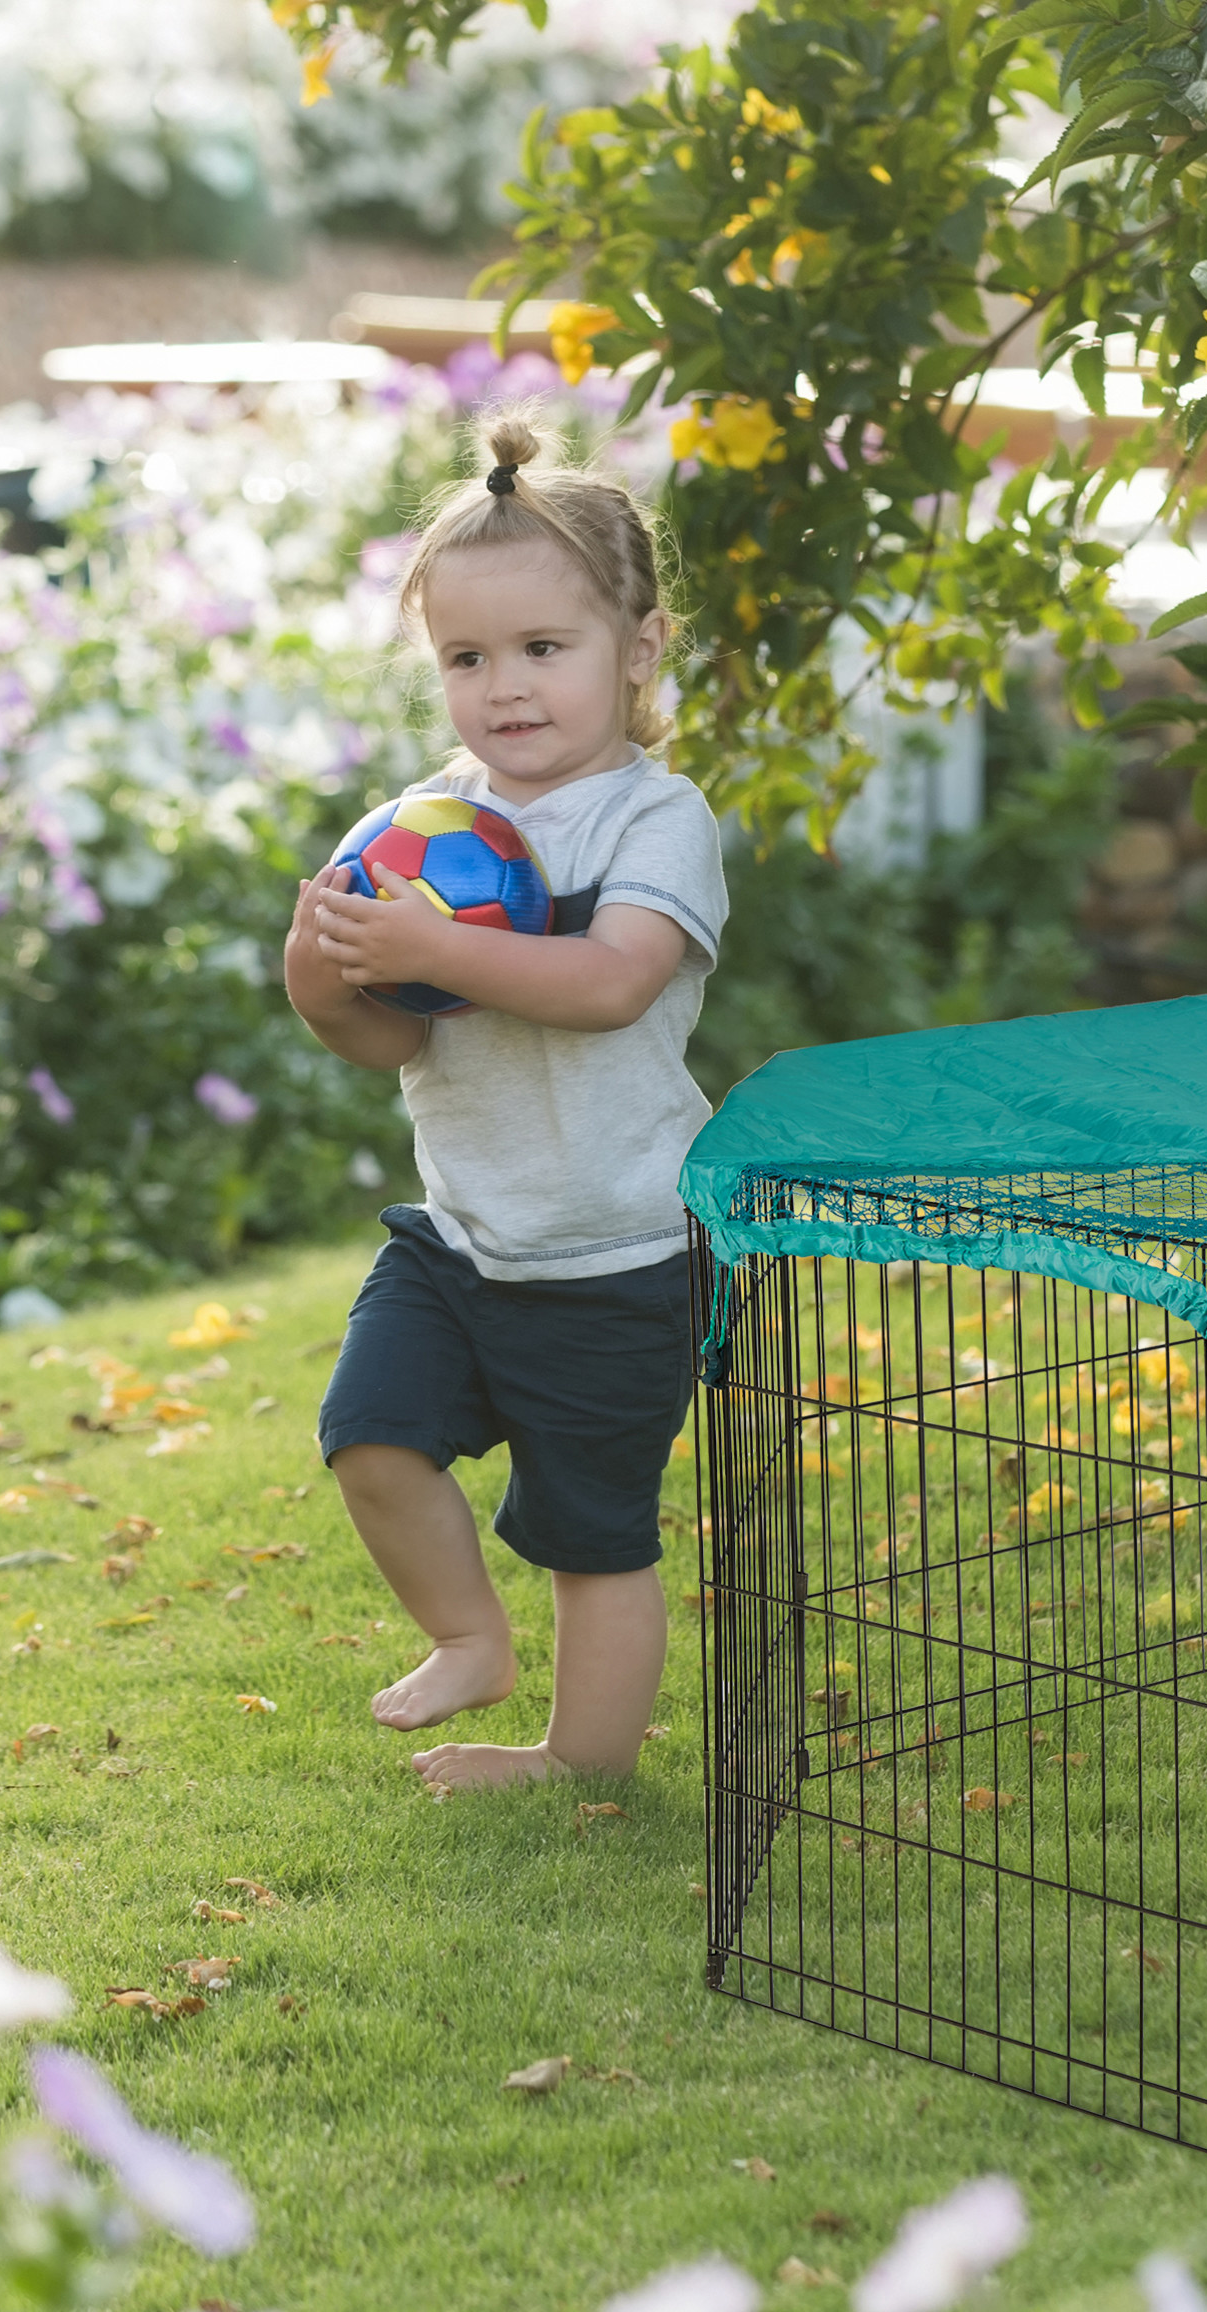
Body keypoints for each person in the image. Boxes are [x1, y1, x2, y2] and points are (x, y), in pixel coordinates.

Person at [282, 409, 725, 1794]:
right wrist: (324, 969)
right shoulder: (421, 828)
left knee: (592, 1535)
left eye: (545, 648)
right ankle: (469, 1638)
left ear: (638, 649)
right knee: (369, 1438)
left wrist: (433, 949)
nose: (506, 686)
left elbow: (608, 984)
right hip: (465, 1235)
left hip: (616, 1250)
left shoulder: (656, 822)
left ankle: (576, 1762)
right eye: (470, 658)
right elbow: (378, 1040)